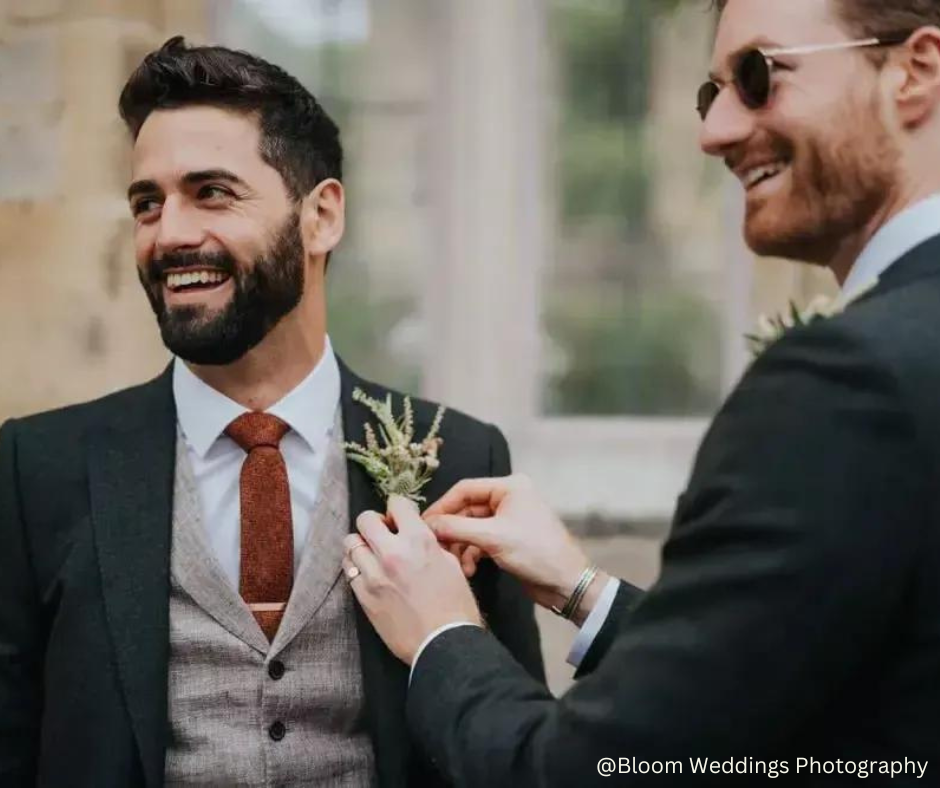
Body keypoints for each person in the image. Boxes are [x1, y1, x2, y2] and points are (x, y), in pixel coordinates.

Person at [343, 1, 940, 785]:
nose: (715, 131)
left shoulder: (844, 382)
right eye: (710, 93)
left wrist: (440, 633)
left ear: (915, 71)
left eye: (760, 77)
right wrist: (584, 591)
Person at [0, 37, 543, 787]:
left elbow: (513, 755)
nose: (170, 234)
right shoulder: (39, 468)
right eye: (147, 203)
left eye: (211, 193)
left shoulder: (458, 458)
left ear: (321, 216)